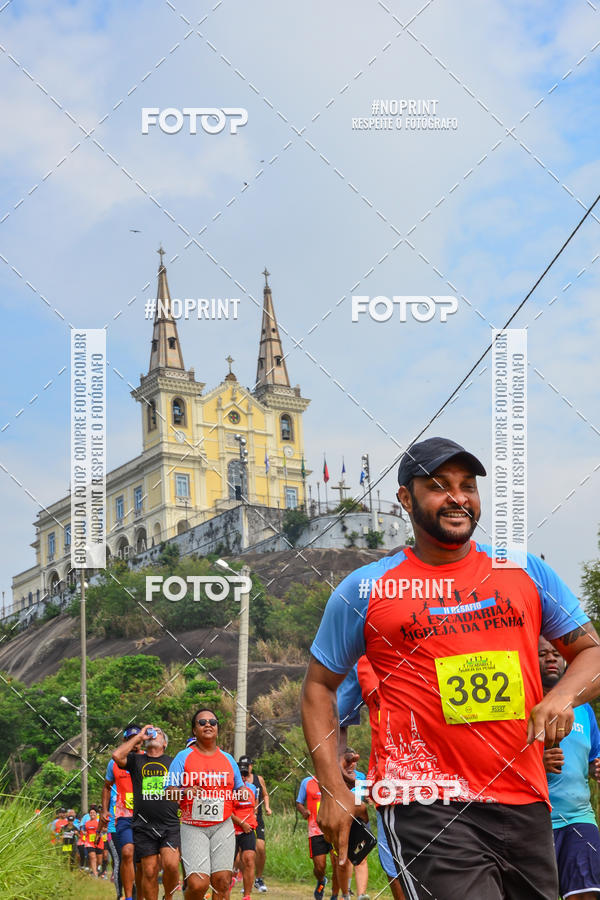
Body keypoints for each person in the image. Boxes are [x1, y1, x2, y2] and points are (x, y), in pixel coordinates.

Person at [302, 436, 600, 900]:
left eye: (468, 485)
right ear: (405, 498)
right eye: (440, 486)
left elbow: (592, 653)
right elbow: (319, 688)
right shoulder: (366, 588)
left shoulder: (523, 571)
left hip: (524, 799)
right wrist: (333, 785)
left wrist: (563, 696)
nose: (458, 497)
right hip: (425, 802)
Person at [337, 660, 405, 900]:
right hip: (390, 795)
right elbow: (337, 714)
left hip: (457, 789)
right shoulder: (363, 659)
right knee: (397, 870)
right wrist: (337, 770)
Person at [539, 636, 600, 899]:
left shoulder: (584, 709)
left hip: (579, 818)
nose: (551, 658)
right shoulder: (519, 706)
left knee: (586, 893)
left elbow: (592, 759)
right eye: (542, 654)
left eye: (556, 653)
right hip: (533, 824)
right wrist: (537, 764)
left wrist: (597, 768)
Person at [165, 707, 244, 900]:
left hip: (223, 826)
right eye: (202, 722)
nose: (208, 724)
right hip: (194, 826)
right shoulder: (183, 757)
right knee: (198, 884)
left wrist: (243, 794)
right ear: (194, 730)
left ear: (217, 728)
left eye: (212, 722)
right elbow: (168, 792)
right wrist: (185, 791)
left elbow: (240, 788)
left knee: (222, 881)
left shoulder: (229, 759)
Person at [112, 724, 181, 900]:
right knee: (149, 872)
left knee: (171, 865)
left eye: (158, 733)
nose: (153, 735)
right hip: (143, 826)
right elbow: (117, 756)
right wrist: (139, 737)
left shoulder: (174, 762)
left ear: (164, 743)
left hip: (170, 825)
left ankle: (169, 896)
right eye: (151, 733)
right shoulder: (136, 761)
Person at [101, 724, 142, 900]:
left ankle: (142, 893)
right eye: (130, 740)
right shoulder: (115, 763)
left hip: (146, 816)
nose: (135, 744)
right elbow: (107, 786)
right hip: (124, 816)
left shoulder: (148, 759)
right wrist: (104, 810)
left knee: (143, 861)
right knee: (126, 854)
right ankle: (126, 896)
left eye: (137, 740)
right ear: (125, 741)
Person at [296, 774, 336, 900]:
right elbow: (299, 803)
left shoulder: (334, 779)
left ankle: (335, 895)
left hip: (334, 829)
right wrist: (304, 811)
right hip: (315, 830)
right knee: (319, 866)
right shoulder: (307, 782)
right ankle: (321, 881)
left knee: (337, 864)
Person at [238, 754, 272, 893]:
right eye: (245, 765)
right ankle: (246, 878)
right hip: (241, 818)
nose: (248, 767)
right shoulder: (238, 779)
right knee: (243, 852)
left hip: (256, 818)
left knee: (261, 848)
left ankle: (258, 878)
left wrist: (267, 807)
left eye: (249, 765)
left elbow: (265, 794)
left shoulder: (259, 779)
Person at [232, 761, 259, 900]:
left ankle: (247, 896)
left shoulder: (252, 788)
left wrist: (251, 820)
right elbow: (227, 812)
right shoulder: (229, 789)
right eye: (239, 774)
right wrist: (241, 823)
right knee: (228, 864)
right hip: (231, 830)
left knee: (249, 860)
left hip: (248, 830)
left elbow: (254, 806)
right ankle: (223, 891)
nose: (242, 777)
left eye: (245, 774)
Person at [83, 805, 101, 876]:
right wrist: (84, 833)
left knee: (99, 860)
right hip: (89, 841)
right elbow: (84, 830)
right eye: (91, 813)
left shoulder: (99, 822)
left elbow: (104, 829)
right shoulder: (87, 823)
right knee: (92, 857)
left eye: (93, 813)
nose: (92, 814)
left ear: (96, 814)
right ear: (89, 814)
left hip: (99, 841)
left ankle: (96, 869)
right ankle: (95, 873)